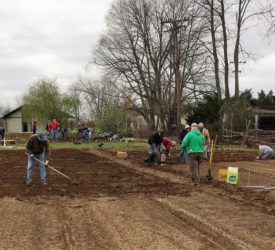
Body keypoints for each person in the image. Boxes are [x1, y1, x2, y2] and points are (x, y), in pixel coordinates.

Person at [182, 123, 205, 187]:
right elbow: (203, 143)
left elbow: (184, 143)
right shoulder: (201, 135)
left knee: (193, 168)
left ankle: (196, 182)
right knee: (196, 167)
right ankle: (194, 179)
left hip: (192, 153)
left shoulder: (189, 134)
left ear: (191, 128)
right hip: (200, 153)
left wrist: (183, 147)